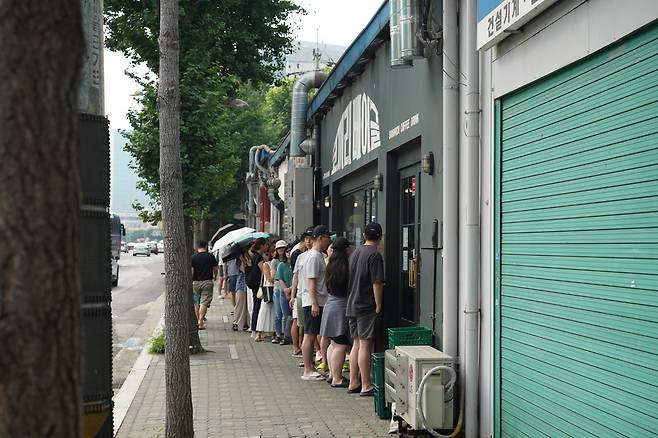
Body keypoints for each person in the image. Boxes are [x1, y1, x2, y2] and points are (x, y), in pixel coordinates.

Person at [346, 222, 385, 396]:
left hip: (352, 303)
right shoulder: (375, 255)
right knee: (365, 345)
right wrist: (378, 304)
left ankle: (353, 382)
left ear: (364, 236)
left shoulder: (355, 252)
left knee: (355, 343)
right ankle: (366, 384)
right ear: (380, 237)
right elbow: (377, 282)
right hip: (365, 304)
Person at [299, 225, 332, 381]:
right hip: (314, 301)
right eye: (327, 237)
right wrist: (314, 303)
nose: (329, 240)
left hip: (317, 300)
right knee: (310, 335)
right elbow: (311, 282)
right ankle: (307, 369)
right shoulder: (313, 256)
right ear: (320, 238)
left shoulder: (317, 255)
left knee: (312, 334)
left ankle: (310, 367)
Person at [319, 237, 351, 387]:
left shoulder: (330, 265)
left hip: (330, 305)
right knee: (341, 344)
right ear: (345, 250)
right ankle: (337, 378)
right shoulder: (345, 267)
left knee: (333, 343)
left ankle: (333, 375)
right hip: (340, 307)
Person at [289, 227, 314, 357]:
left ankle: (308, 353)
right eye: (306, 239)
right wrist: (292, 295)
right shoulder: (299, 256)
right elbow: (295, 276)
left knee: (308, 329)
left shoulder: (321, 255)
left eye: (311, 239)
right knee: (300, 324)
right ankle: (298, 349)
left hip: (312, 297)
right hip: (302, 295)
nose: (309, 241)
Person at [191, 240, 219, 330]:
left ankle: (196, 321)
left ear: (197, 247)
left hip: (196, 282)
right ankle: (200, 321)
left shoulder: (193, 257)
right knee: (204, 302)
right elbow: (215, 268)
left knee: (196, 302)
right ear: (206, 247)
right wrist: (215, 276)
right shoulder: (210, 256)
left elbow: (192, 271)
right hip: (207, 282)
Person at [246, 238, 267, 333]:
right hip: (257, 284)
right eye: (266, 245)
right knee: (257, 305)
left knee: (256, 304)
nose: (267, 247)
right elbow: (263, 272)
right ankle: (255, 326)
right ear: (261, 246)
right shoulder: (259, 257)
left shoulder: (254, 256)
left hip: (253, 283)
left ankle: (254, 326)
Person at [255, 251, 275, 342]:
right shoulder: (266, 264)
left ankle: (273, 332)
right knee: (264, 310)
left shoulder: (279, 263)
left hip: (275, 289)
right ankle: (259, 332)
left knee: (274, 312)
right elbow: (269, 279)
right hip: (268, 289)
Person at [271, 240, 289, 344]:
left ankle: (284, 334)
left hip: (287, 289)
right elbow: (274, 277)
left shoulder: (288, 261)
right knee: (278, 313)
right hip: (277, 289)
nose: (281, 250)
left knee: (285, 313)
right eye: (279, 248)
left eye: (283, 248)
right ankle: (278, 334)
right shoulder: (275, 261)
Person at [276, 246, 293, 346]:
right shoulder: (282, 265)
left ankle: (291, 336)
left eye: (290, 251)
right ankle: (285, 336)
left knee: (293, 316)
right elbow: (279, 278)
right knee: (285, 315)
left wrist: (291, 289)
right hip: (283, 291)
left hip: (294, 290)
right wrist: (286, 289)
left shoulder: (295, 264)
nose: (288, 253)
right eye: (287, 251)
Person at [232, 252, 250, 331]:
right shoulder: (238, 261)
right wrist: (243, 261)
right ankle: (236, 322)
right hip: (241, 285)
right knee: (240, 304)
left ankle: (246, 323)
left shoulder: (249, 259)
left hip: (248, 285)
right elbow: (243, 270)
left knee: (247, 305)